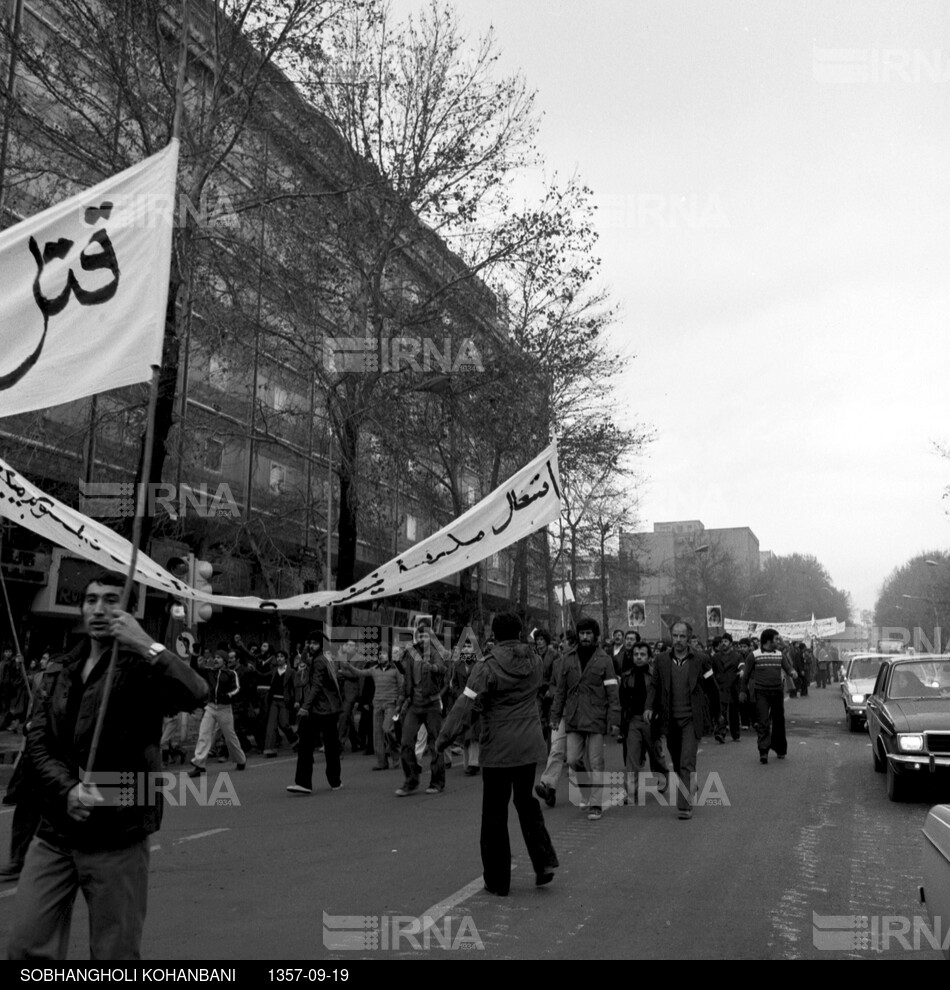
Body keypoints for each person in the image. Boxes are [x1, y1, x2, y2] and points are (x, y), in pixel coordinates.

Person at [7, 570, 208, 959]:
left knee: (114, 954)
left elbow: (196, 692)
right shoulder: (60, 669)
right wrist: (67, 791)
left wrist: (146, 644)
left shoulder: (145, 671)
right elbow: (38, 743)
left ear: (129, 612)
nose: (99, 609)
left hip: (118, 835)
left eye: (112, 601)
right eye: (92, 600)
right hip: (55, 833)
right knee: (25, 946)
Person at [437, 612, 558, 895]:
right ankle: (543, 863)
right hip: (528, 743)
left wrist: (444, 738)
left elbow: (465, 706)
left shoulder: (486, 666)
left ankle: (498, 879)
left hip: (498, 747)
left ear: (494, 634)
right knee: (526, 803)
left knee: (494, 812)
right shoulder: (536, 661)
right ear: (520, 633)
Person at [550, 616, 621, 822]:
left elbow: (612, 692)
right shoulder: (568, 659)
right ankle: (587, 788)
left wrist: (614, 720)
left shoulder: (604, 660)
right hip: (573, 717)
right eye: (582, 633)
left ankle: (596, 805)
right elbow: (560, 691)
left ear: (595, 635)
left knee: (597, 762)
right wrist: (555, 716)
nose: (585, 637)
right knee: (573, 760)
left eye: (589, 633)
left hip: (596, 717)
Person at [647, 621, 721, 820]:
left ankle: (684, 805)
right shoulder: (661, 660)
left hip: (691, 719)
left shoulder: (701, 660)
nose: (678, 640)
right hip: (669, 720)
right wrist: (648, 707)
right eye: (675, 636)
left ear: (689, 638)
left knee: (687, 760)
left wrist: (717, 714)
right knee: (678, 761)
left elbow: (712, 688)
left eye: (682, 637)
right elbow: (654, 685)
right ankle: (689, 784)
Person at [395, 620, 449, 796]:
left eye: (427, 635)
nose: (424, 639)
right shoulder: (412, 655)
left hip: (431, 704)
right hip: (414, 704)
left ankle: (437, 782)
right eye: (421, 636)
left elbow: (442, 668)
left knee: (436, 745)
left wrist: (432, 667)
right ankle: (411, 781)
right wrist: (399, 704)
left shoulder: (434, 652)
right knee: (406, 743)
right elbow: (405, 679)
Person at [287, 634, 343, 794]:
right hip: (328, 709)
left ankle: (304, 782)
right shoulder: (324, 659)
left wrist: (305, 707)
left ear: (322, 645)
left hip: (319, 709)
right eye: (309, 642)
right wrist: (304, 655)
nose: (311, 646)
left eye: (315, 643)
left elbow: (316, 686)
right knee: (330, 746)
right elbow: (302, 681)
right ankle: (335, 781)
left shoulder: (319, 661)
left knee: (306, 744)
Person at [739, 628, 797, 764]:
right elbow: (746, 675)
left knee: (779, 721)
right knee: (763, 721)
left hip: (777, 692)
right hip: (761, 693)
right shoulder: (754, 655)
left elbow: (788, 668)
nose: (778, 641)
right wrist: (742, 691)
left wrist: (793, 672)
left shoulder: (780, 655)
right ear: (768, 640)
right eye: (776, 639)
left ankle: (780, 748)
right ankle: (763, 750)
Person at [188, 652, 247, 777]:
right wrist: (194, 655)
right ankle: (199, 765)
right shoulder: (209, 671)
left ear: (224, 661)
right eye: (215, 657)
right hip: (210, 707)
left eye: (219, 658)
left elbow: (237, 689)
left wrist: (227, 696)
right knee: (203, 734)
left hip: (224, 709)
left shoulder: (231, 674)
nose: (216, 659)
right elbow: (194, 670)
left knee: (230, 738)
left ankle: (241, 760)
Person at [262, 650, 297, 757]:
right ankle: (270, 749)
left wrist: (296, 701)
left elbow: (295, 687)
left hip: (284, 701)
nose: (279, 658)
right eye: (277, 657)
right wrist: (253, 670)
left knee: (284, 723)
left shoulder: (291, 672)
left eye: (281, 656)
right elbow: (262, 676)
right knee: (271, 725)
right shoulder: (274, 670)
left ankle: (295, 741)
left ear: (285, 659)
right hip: (274, 701)